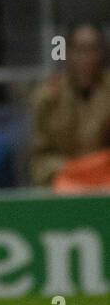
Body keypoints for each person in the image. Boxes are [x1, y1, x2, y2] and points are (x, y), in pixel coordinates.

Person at [30, 23, 110, 186]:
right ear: (67, 52)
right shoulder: (48, 97)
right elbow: (40, 156)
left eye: (92, 49)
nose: (86, 57)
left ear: (102, 53)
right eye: (79, 49)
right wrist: (71, 170)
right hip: (63, 179)